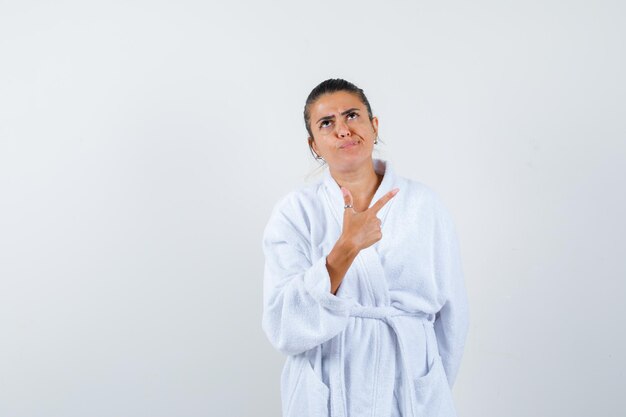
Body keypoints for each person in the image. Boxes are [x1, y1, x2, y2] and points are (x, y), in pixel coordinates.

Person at [261, 78, 470, 417]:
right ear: (314, 144)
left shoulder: (424, 205)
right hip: (328, 385)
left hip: (410, 385)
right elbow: (284, 327)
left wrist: (429, 387)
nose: (343, 129)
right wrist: (344, 250)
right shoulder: (295, 212)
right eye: (327, 123)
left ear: (373, 126)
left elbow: (453, 317)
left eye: (352, 115)